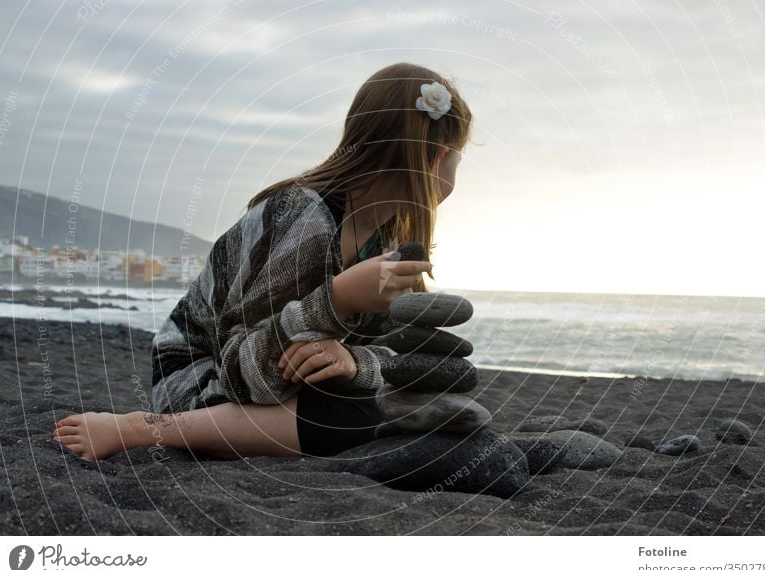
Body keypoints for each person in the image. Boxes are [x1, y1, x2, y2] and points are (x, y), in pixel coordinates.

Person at [52, 62, 473, 461]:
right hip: (203, 376)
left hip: (280, 388)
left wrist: (351, 362)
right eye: (459, 158)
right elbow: (242, 375)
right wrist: (338, 301)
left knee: (412, 407)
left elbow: (395, 360)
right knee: (354, 419)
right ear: (437, 156)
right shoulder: (303, 217)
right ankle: (139, 429)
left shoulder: (385, 239)